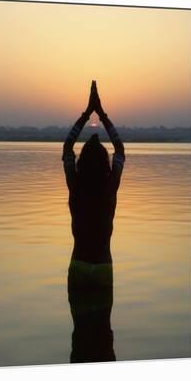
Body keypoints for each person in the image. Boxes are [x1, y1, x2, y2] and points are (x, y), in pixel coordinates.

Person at [62, 80, 125, 362]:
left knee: (79, 338)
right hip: (101, 268)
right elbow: (121, 150)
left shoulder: (75, 186)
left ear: (81, 164)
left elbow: (66, 149)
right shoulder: (109, 188)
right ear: (105, 164)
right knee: (103, 336)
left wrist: (88, 113)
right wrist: (103, 113)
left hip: (78, 267)